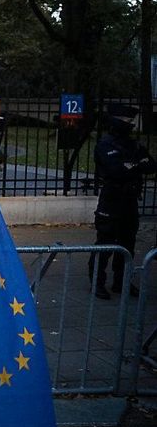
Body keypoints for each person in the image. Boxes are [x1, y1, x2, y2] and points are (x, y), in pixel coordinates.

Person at [88, 103, 156, 299]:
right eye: (126, 121)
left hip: (130, 200)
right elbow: (116, 170)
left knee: (127, 244)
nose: (129, 124)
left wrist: (131, 165)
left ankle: (121, 282)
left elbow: (150, 165)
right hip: (111, 200)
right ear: (115, 121)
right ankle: (97, 283)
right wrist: (136, 165)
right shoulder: (105, 145)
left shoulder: (133, 145)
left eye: (130, 121)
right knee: (105, 242)